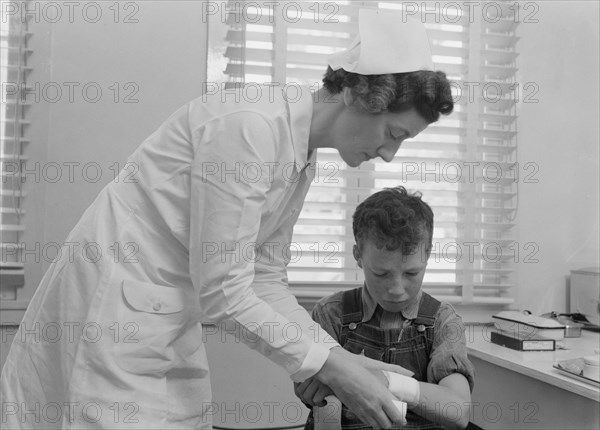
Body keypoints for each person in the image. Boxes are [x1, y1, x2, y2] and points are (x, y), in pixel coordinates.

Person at [0, 10, 454, 430]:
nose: (390, 154)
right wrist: (332, 368)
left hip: (167, 322)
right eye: (394, 134)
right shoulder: (249, 127)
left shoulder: (300, 155)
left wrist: (341, 360)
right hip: (113, 315)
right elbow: (224, 291)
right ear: (358, 94)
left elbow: (264, 278)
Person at [297, 187, 475, 430]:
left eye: (412, 273)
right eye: (381, 273)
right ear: (358, 255)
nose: (397, 289)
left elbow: (457, 411)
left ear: (428, 254)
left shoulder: (443, 320)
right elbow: (327, 416)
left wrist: (383, 379)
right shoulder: (331, 314)